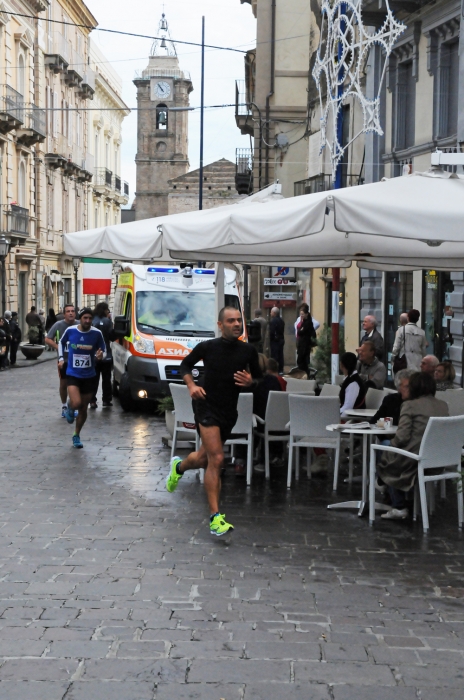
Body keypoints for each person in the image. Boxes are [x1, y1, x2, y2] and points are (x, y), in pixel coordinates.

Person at [165, 306, 262, 537]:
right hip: (206, 405)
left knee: (203, 458)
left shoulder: (248, 351)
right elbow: (185, 365)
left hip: (229, 410)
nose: (236, 324)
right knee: (217, 459)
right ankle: (215, 517)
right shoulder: (208, 347)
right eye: (231, 321)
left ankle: (178, 467)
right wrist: (191, 385)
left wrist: (251, 382)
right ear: (220, 325)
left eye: (239, 320)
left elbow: (260, 377)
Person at [376, 372, 448, 520]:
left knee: (384, 449)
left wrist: (392, 445)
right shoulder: (443, 405)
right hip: (438, 461)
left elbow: (401, 438)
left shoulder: (409, 405)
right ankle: (390, 489)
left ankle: (398, 505)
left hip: (415, 460)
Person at [58, 307, 106, 449]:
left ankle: (76, 434)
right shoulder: (71, 330)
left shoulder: (97, 333)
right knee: (77, 402)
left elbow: (104, 348)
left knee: (84, 407)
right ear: (81, 318)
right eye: (85, 318)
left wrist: (100, 355)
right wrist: (61, 358)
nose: (87, 321)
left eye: (90, 318)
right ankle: (70, 407)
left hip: (89, 375)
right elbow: (61, 342)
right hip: (73, 373)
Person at [45, 304, 78, 417]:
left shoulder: (79, 324)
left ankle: (74, 405)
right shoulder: (58, 325)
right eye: (68, 311)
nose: (70, 313)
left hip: (77, 360)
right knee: (64, 383)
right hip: (63, 360)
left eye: (72, 311)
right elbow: (47, 338)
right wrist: (57, 347)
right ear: (64, 314)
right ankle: (64, 405)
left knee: (76, 384)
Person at [90, 302, 115, 408]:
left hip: (94, 354)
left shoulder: (92, 321)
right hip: (106, 354)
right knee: (106, 379)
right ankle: (106, 400)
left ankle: (92, 400)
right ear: (105, 310)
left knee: (93, 379)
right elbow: (111, 336)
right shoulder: (107, 321)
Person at [339, 351, 366, 416]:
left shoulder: (353, 383)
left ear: (342, 365)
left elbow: (348, 408)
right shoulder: (349, 379)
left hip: (351, 420)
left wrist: (334, 417)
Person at [296, 303, 316, 376]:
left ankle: (305, 375)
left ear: (306, 314)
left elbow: (301, 332)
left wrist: (301, 330)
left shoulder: (308, 323)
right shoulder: (304, 322)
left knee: (302, 361)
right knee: (301, 361)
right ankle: (304, 374)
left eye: (303, 314)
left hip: (305, 345)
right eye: (301, 314)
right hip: (302, 344)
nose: (301, 316)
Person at [269, 306, 285, 374]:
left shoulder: (273, 321)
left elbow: (272, 332)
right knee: (280, 355)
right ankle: (281, 369)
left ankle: (275, 369)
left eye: (271, 312)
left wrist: (271, 339)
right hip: (281, 340)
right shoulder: (282, 321)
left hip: (275, 341)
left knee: (274, 356)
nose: (270, 313)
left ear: (274, 313)